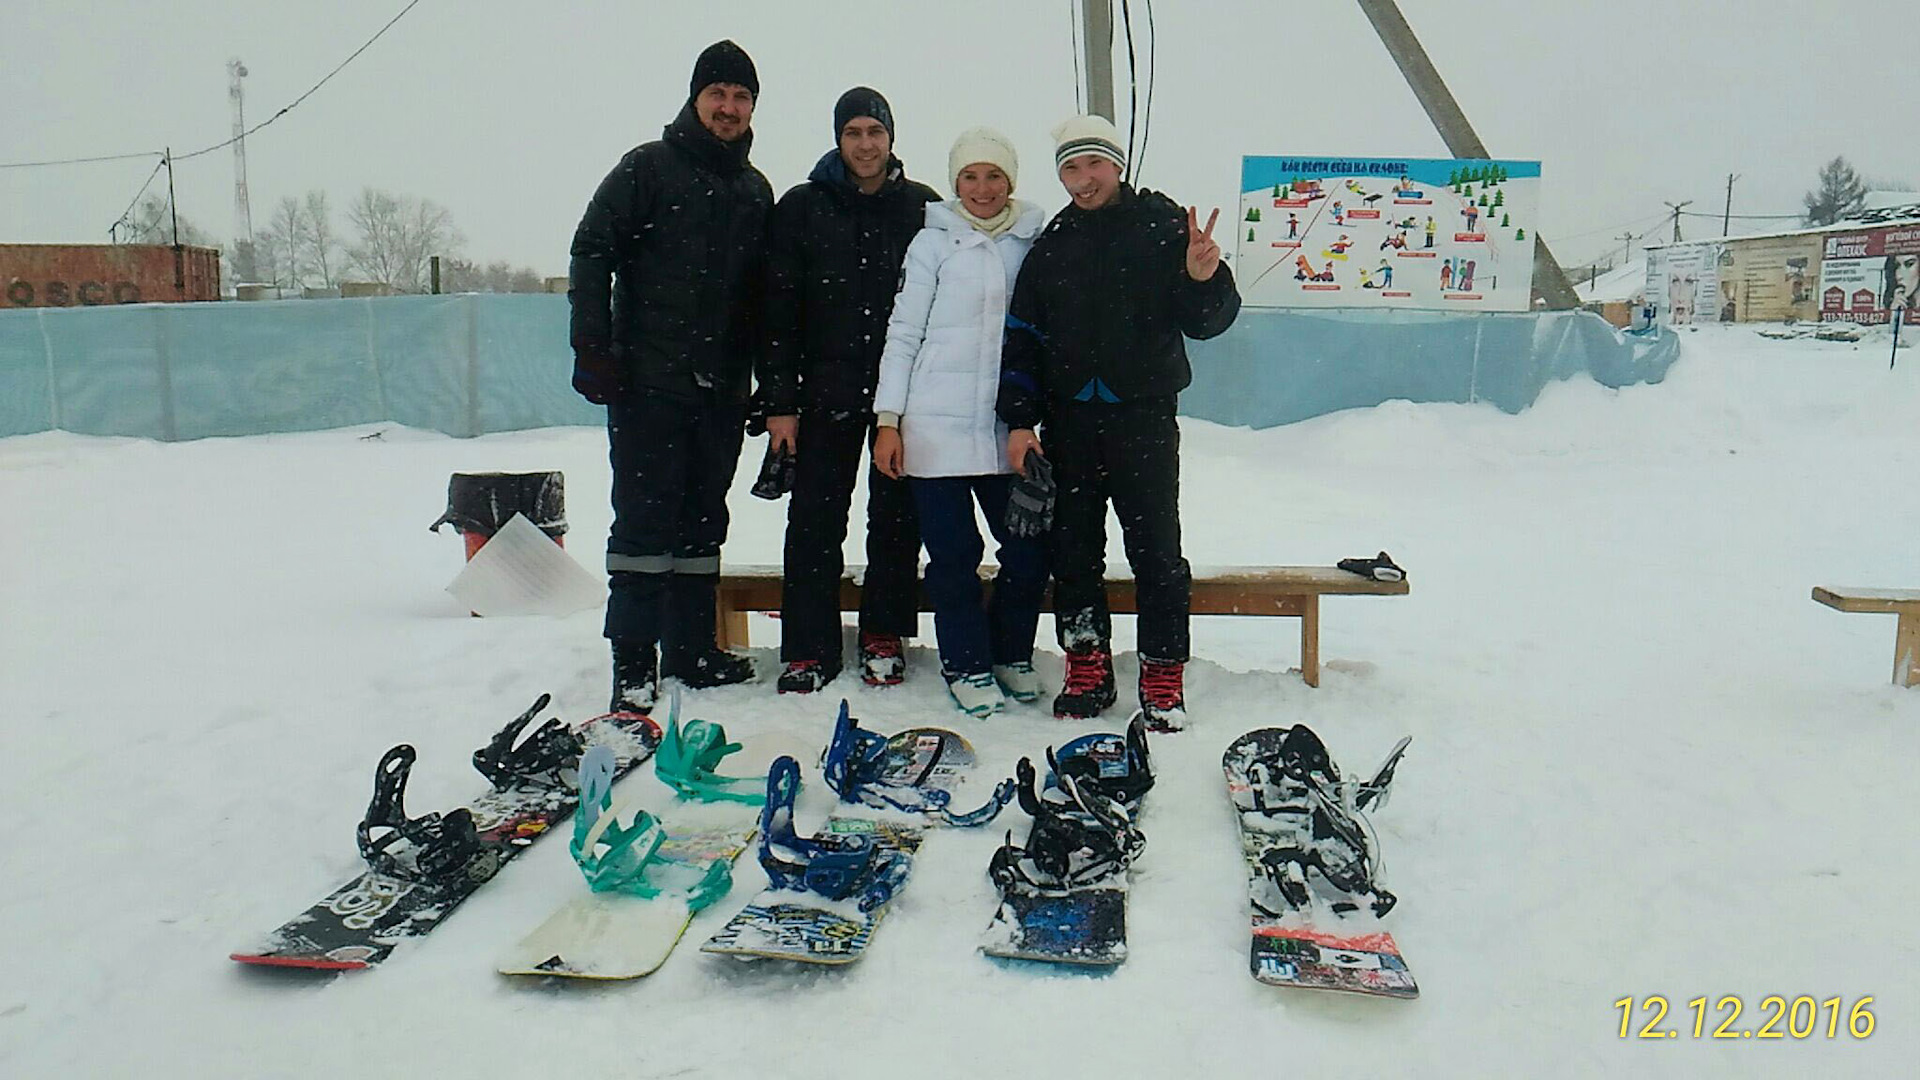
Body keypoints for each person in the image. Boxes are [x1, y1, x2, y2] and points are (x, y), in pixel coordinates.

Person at [997, 115, 1241, 730]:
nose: (1082, 180)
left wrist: (1204, 276)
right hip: (1069, 420)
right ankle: (1087, 663)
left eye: (1093, 165)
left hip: (1144, 418)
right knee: (1073, 550)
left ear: (1117, 164)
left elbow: (1208, 320)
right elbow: (1022, 338)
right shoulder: (1053, 243)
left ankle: (1162, 672)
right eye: (1070, 169)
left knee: (1156, 550)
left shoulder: (1163, 228)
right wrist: (1021, 420)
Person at [568, 41, 774, 714]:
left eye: (741, 97)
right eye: (718, 94)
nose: (729, 107)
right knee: (644, 523)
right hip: (647, 382)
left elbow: (765, 297)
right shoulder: (648, 169)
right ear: (695, 99)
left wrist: (764, 381)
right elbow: (592, 249)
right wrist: (594, 346)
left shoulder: (754, 190)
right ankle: (633, 661)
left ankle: (691, 650)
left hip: (719, 389)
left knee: (702, 522)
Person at [759, 88, 940, 694]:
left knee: (894, 517)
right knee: (813, 518)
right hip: (823, 390)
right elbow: (777, 311)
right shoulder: (803, 207)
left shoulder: (923, 208)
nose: (865, 144)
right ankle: (808, 646)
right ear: (839, 138)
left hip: (899, 395)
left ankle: (884, 634)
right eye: (854, 132)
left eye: (876, 132)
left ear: (892, 139)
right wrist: (781, 402)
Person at [869, 128, 1049, 718]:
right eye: (969, 177)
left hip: (1005, 429)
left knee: (1026, 548)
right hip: (934, 429)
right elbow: (902, 334)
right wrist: (888, 419)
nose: (982, 188)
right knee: (953, 554)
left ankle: (1009, 652)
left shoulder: (1033, 243)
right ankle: (966, 662)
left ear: (1011, 181)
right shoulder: (932, 244)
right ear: (955, 184)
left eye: (993, 176)